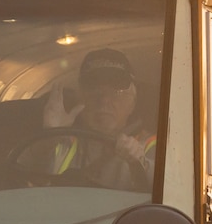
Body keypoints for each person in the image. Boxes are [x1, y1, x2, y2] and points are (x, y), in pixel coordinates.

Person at [21, 48, 155, 191]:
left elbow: (171, 189)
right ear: (81, 100)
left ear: (132, 104)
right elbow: (20, 176)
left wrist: (140, 162)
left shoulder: (151, 146)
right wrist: (49, 138)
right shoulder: (63, 142)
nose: (104, 100)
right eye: (95, 92)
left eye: (116, 93)